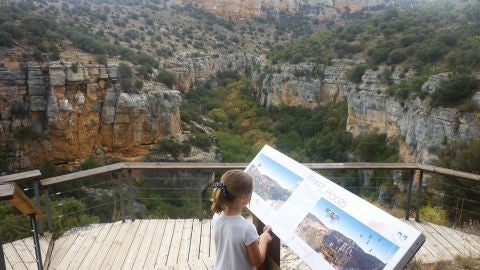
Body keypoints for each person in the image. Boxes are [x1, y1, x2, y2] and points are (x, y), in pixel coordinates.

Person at [211, 169, 273, 270]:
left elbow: (235, 240)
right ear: (243, 198)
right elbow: (257, 262)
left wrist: (254, 240)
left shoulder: (217, 216)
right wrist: (264, 239)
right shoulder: (247, 228)